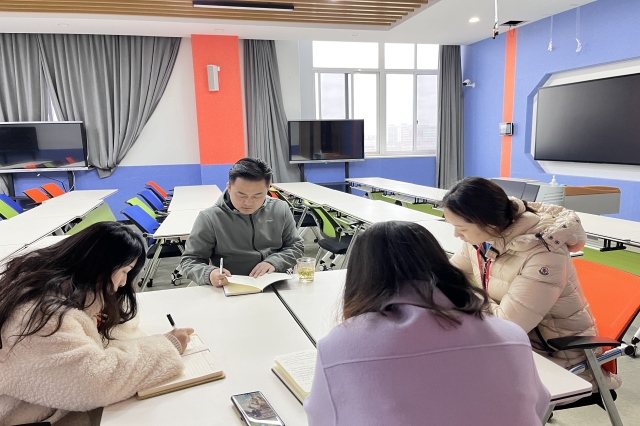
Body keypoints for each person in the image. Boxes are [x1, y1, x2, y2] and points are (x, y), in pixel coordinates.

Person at [304, 221, 551, 426]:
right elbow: (539, 405)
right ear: (440, 262)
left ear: (361, 275)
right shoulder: (509, 333)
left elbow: (321, 418)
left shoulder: (342, 343)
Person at [0, 222, 194, 426]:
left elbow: (118, 326)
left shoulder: (68, 291)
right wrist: (168, 346)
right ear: (101, 265)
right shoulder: (43, 315)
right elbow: (93, 383)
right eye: (125, 271)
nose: (123, 282)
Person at [442, 176, 621, 394]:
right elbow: (448, 276)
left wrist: (469, 295)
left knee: (457, 380)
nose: (456, 235)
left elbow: (509, 326)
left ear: (489, 223)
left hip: (558, 357)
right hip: (516, 344)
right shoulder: (482, 239)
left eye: (461, 228)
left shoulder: (544, 254)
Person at [180, 157, 304, 286]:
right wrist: (209, 274)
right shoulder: (210, 218)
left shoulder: (280, 208)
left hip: (275, 282)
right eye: (241, 195)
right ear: (229, 187)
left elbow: (296, 246)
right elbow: (190, 260)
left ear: (268, 189)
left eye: (257, 195)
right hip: (232, 286)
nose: (248, 203)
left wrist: (275, 262)